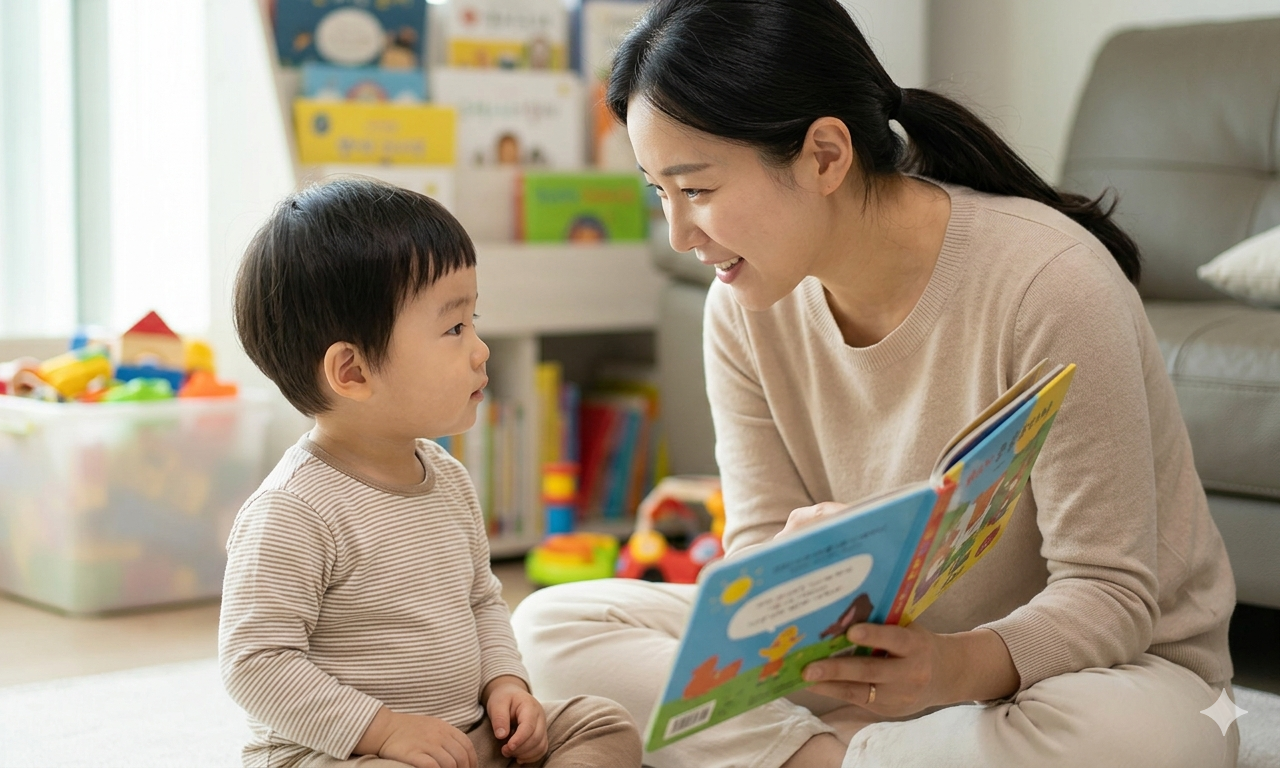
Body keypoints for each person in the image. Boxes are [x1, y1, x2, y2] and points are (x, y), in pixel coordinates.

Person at [509, 2, 1239, 768]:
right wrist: (784, 585)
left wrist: (949, 668)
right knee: (552, 626)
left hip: (1078, 668)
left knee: (1159, 742)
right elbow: (756, 540)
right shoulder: (742, 305)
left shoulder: (1050, 283)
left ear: (825, 155)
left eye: (696, 190)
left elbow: (1110, 597)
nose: (679, 235)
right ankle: (836, 757)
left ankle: (815, 753)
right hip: (865, 663)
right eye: (658, 190)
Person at [221, 178, 643, 768]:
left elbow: (481, 601)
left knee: (603, 723)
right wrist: (384, 730)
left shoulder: (446, 478)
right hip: (342, 753)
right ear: (353, 372)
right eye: (453, 329)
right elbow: (255, 662)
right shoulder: (294, 511)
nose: (480, 349)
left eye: (474, 320)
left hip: (462, 735)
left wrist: (506, 684)